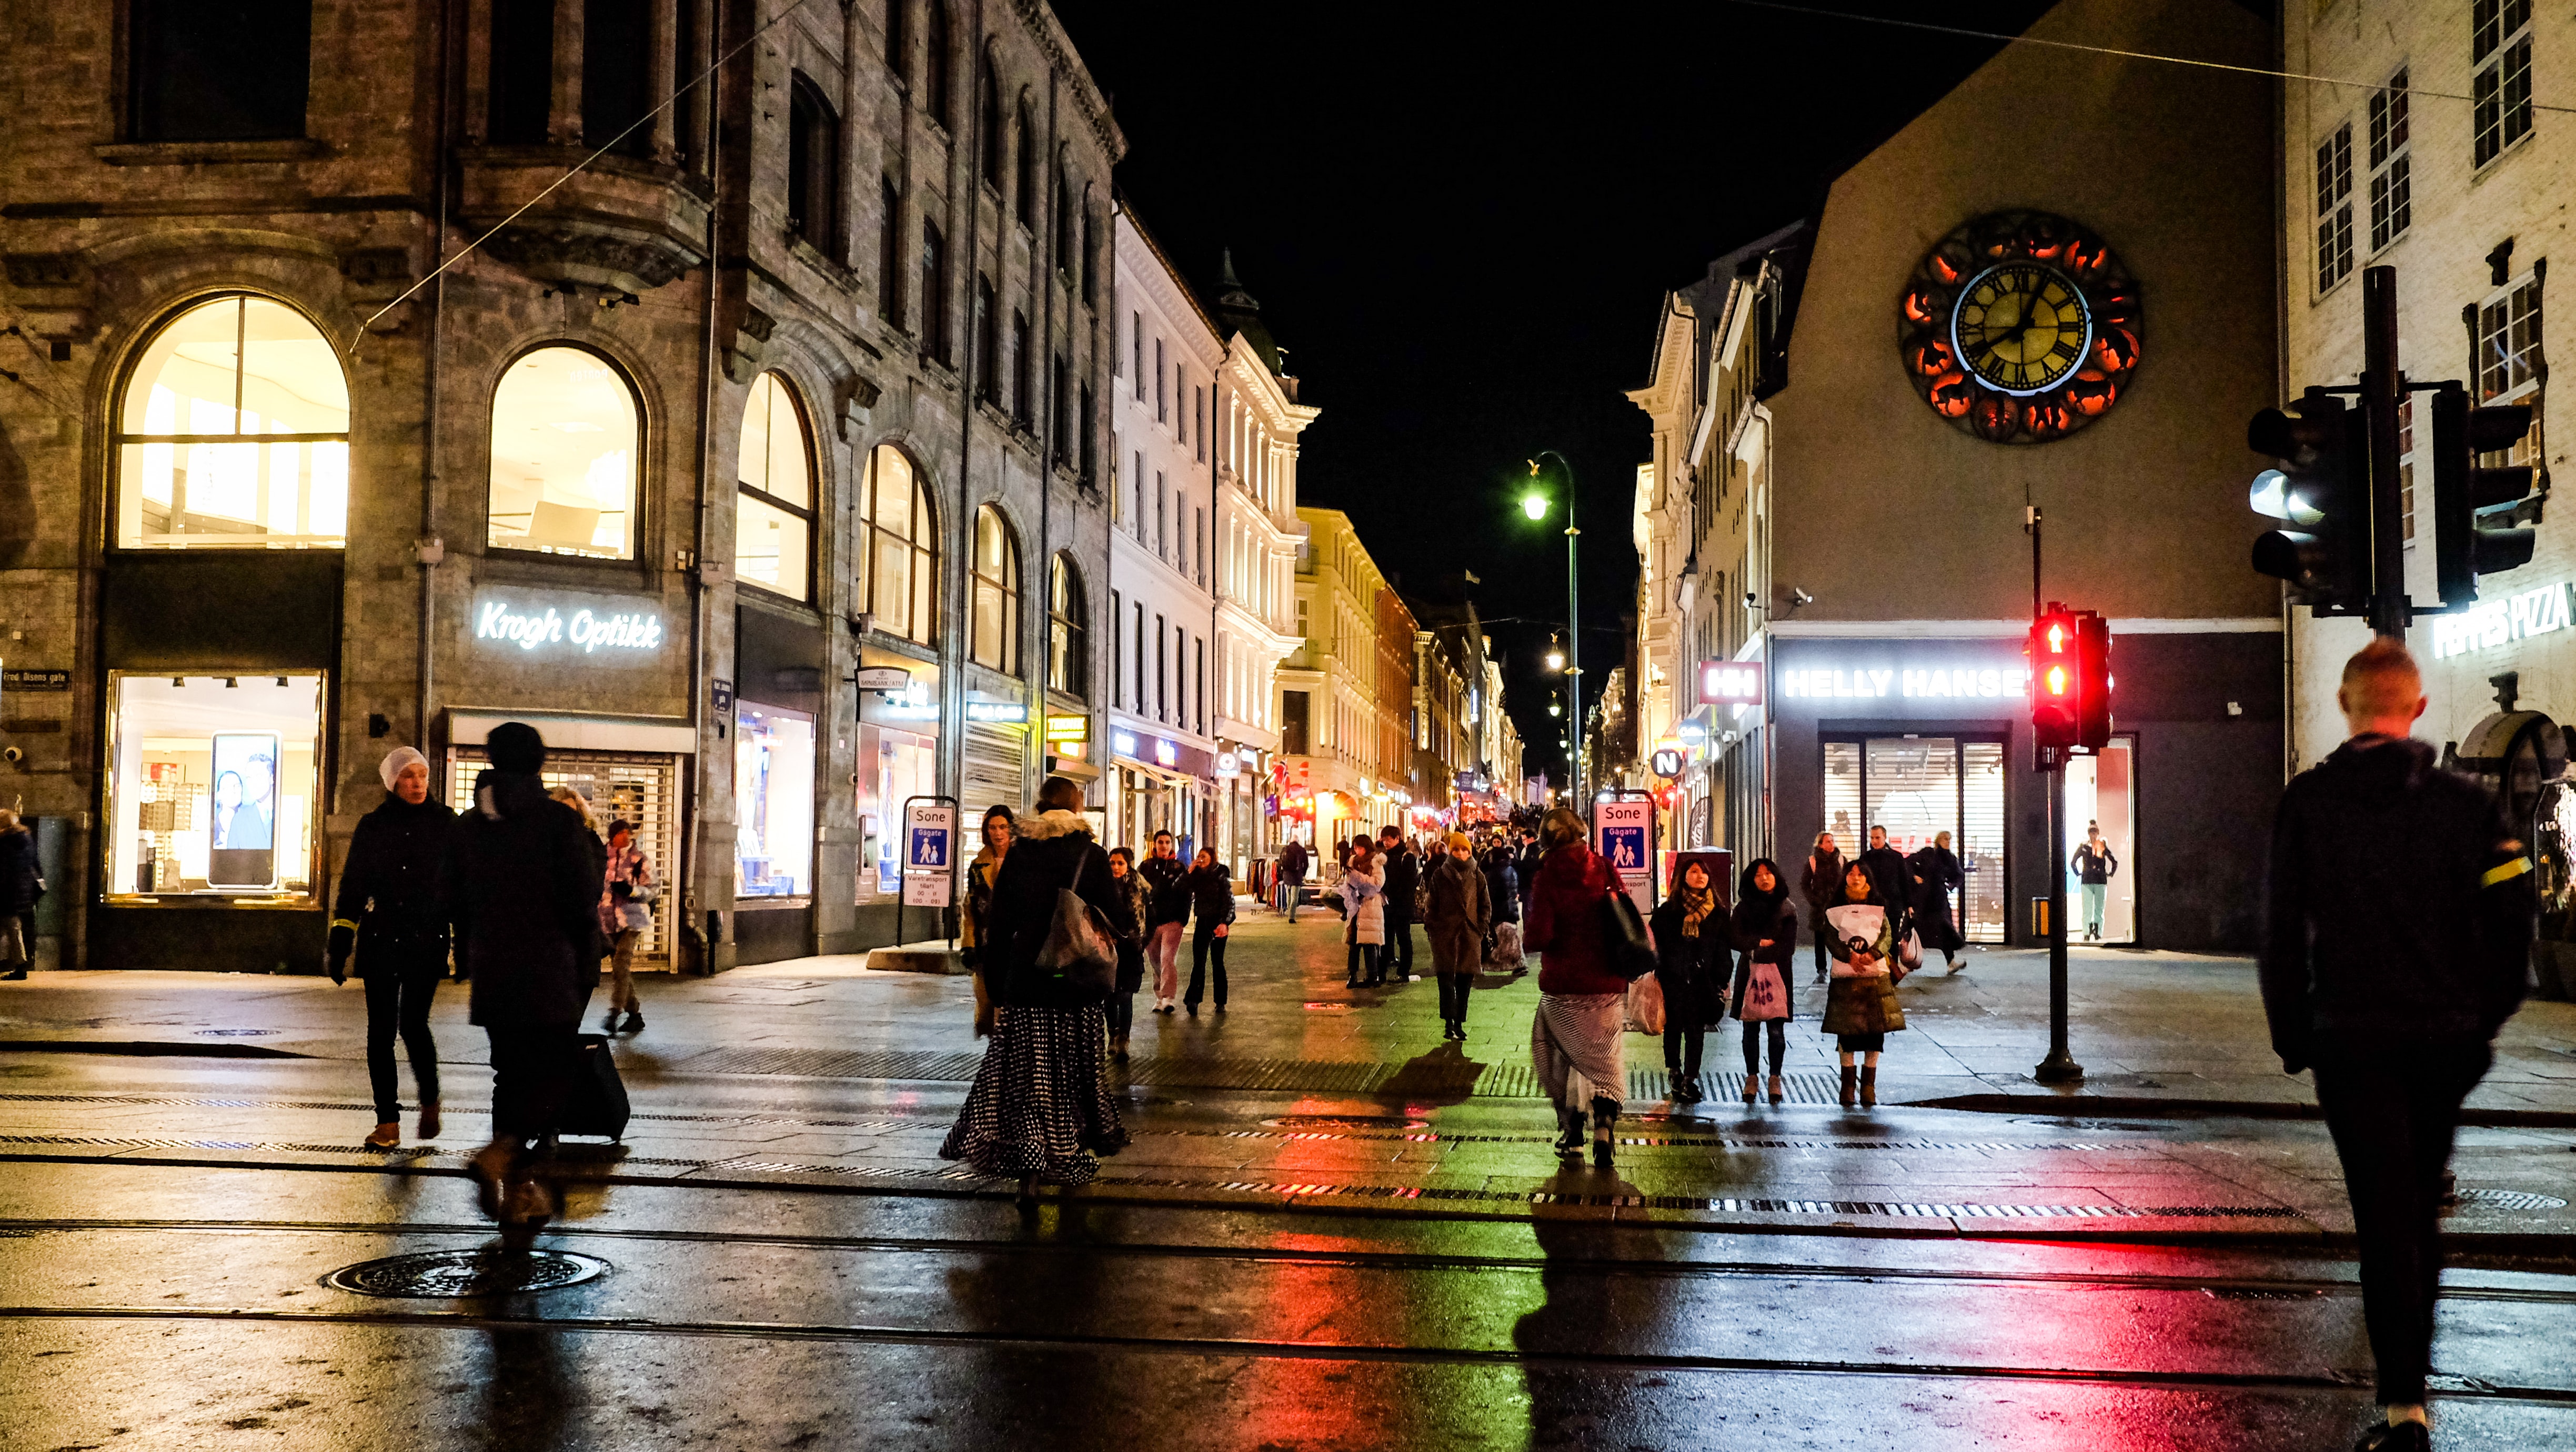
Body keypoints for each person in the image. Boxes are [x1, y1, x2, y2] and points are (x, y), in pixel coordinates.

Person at [2261, 639, 2533, 1452]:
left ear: (2347, 706)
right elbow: (2513, 920)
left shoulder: (2309, 802)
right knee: (2419, 1210)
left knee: (2383, 1214)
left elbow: (2279, 931)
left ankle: (2403, 1409)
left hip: (2354, 1042)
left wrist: (2295, 1036)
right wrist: (2482, 1019)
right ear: (2416, 707)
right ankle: (2412, 1399)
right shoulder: (2466, 807)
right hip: (2444, 1040)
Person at [939, 775, 1129, 1205]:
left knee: (1028, 1077)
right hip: (1076, 986)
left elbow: (1001, 924)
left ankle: (1029, 1167)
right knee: (1074, 1074)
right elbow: (1116, 918)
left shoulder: (1021, 854)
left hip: (1027, 982)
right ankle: (1068, 1156)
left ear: (1040, 810)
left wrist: (998, 985)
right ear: (1075, 808)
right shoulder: (1092, 855)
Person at [452, 723, 607, 1243]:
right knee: (553, 1077)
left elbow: (452, 896)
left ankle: (518, 1193)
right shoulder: (556, 824)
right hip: (548, 970)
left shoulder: (472, 825)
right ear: (539, 763)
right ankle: (504, 1157)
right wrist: (585, 959)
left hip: (494, 971)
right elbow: (582, 901)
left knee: (509, 1076)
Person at [327, 747, 458, 1147]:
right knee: (380, 1032)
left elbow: (460, 888)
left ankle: (430, 1098)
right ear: (392, 782)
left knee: (414, 1024)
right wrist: (340, 940)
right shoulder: (374, 826)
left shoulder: (446, 823)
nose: (417, 783)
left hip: (426, 937)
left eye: (422, 775)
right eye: (407, 776)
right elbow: (353, 886)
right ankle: (387, 1122)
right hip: (382, 936)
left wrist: (466, 944)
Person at [1523, 807, 1632, 1169]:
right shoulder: (1603, 867)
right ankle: (1604, 1127)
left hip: (1565, 987)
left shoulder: (1547, 876)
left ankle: (1573, 1135)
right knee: (1606, 1058)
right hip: (1606, 984)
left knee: (1561, 1058)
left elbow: (1540, 935)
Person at [1822, 861, 1906, 1108]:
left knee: (1874, 1033)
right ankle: (1848, 1085)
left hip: (1874, 978)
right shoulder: (1835, 908)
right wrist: (1849, 956)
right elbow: (1829, 936)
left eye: (1860, 874)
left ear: (1868, 879)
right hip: (1846, 977)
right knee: (1846, 1032)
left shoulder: (1878, 906)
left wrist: (1874, 954)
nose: (1856, 878)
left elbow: (1886, 934)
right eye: (1851, 874)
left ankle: (1868, 1086)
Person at [1647, 859, 1730, 1105]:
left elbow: (1723, 950)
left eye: (1704, 871)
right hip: (1672, 979)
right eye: (1694, 871)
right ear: (1683, 877)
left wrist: (1721, 980)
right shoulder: (1667, 912)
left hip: (1702, 982)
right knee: (1673, 1027)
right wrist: (1661, 970)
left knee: (1696, 1031)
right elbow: (1654, 945)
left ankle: (1690, 1078)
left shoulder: (1717, 913)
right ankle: (1674, 1070)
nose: (1700, 876)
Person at [1730, 858, 1798, 1105]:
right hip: (1749, 974)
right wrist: (1758, 944)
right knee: (1750, 1029)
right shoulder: (1743, 908)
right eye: (1758, 875)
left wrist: (1755, 949)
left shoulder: (1787, 908)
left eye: (1768, 873)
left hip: (1778, 975)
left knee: (1776, 1031)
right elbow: (1735, 938)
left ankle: (1775, 1077)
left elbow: (1787, 948)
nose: (1764, 878)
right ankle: (1751, 1077)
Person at [1422, 831, 1490, 1041]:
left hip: (1469, 936)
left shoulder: (1477, 874)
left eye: (1464, 850)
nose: (1460, 853)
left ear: (1470, 852)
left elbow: (1485, 905)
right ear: (1450, 852)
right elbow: (1431, 904)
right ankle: (1448, 1023)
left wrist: (1480, 928)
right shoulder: (1440, 875)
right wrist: (1433, 927)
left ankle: (1459, 1023)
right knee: (1445, 983)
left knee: (1464, 984)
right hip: (1445, 936)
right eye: (1456, 849)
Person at [600, 818, 656, 1034]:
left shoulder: (639, 859)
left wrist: (631, 891)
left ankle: (614, 1013)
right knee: (619, 969)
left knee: (621, 965)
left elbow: (651, 889)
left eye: (628, 832)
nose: (626, 836)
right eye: (622, 832)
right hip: (607, 920)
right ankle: (635, 1015)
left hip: (631, 920)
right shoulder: (602, 857)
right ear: (613, 835)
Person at [962, 805, 1015, 1036]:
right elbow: (970, 908)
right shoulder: (978, 865)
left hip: (1016, 944)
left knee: (1011, 1005)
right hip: (987, 944)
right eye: (992, 827)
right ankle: (997, 1052)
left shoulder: (1023, 861)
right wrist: (967, 944)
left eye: (1003, 827)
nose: (998, 833)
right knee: (988, 1003)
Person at [1102, 847, 1147, 1061]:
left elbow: (1151, 919)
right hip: (1108, 948)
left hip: (1131, 950)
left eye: (1120, 863)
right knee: (1109, 996)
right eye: (1112, 863)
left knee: (1126, 996)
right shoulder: (1102, 887)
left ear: (1128, 865)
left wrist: (1140, 941)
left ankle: (1123, 1041)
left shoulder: (1140, 888)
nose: (1116, 867)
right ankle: (1112, 1033)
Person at [1138, 830, 1189, 1013]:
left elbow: (1186, 893)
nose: (1164, 846)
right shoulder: (1145, 867)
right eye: (1161, 842)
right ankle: (1159, 997)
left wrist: (1183, 919)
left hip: (1173, 922)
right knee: (1155, 961)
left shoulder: (1178, 868)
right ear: (1155, 844)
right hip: (1151, 923)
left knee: (1167, 958)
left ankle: (1168, 997)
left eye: (1168, 842)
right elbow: (1140, 895)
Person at [1182, 846, 1235, 1015]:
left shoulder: (1221, 875)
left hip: (1218, 922)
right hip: (1202, 922)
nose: (1201, 859)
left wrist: (1225, 923)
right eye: (1199, 856)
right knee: (1199, 961)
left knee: (1217, 962)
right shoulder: (1196, 875)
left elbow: (1229, 901)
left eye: (1204, 856)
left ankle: (1220, 1001)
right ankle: (1193, 1000)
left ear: (1212, 858)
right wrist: (1188, 872)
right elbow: (1180, 889)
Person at [1908, 830, 1967, 972]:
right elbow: (1908, 862)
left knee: (1944, 929)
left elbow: (1959, 875)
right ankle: (1908, 960)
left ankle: (1951, 962)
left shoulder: (1950, 859)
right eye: (1944, 839)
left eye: (1949, 839)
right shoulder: (1928, 853)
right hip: (1924, 898)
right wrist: (1914, 876)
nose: (1947, 841)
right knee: (1914, 929)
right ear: (1938, 840)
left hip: (1939, 899)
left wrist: (1951, 885)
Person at [1800, 831, 1846, 985]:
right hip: (1820, 909)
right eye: (1827, 842)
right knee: (1820, 940)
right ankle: (1821, 971)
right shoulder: (1813, 861)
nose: (1831, 844)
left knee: (1839, 939)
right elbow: (1805, 884)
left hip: (1838, 907)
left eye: (1832, 841)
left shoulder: (1841, 860)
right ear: (1820, 844)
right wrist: (1814, 900)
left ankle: (1839, 967)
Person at [1377, 825, 1420, 981]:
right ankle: (1381, 972)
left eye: (1388, 839)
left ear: (1397, 838)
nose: (1386, 843)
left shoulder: (1407, 857)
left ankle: (1404, 971)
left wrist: (1393, 893)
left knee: (1403, 938)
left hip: (1402, 904)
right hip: (1388, 904)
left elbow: (1409, 882)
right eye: (1384, 840)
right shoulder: (1384, 857)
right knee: (1385, 938)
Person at [1342, 839, 1385, 987]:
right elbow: (1348, 881)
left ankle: (1373, 976)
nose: (1356, 850)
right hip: (1356, 905)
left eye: (1359, 846)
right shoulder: (1353, 860)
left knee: (1369, 943)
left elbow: (1379, 883)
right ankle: (1352, 975)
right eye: (1355, 847)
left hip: (1370, 904)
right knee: (1353, 943)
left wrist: (1361, 878)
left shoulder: (1375, 861)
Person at [0, 809, 36, 981]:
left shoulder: (5, 841)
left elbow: (4, 869)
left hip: (6, 892)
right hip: (20, 891)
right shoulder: (26, 839)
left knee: (12, 928)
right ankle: (19, 965)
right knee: (12, 928)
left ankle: (21, 965)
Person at [1855, 825, 1912, 934]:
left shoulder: (1896, 857)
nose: (1874, 841)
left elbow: (1904, 881)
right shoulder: (1865, 858)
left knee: (1893, 937)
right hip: (1872, 903)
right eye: (1872, 838)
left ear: (1884, 837)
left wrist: (1908, 904)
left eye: (1877, 838)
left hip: (1893, 904)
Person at [2071, 822, 2118, 941]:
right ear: (2089, 833)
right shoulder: (2085, 847)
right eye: (2091, 832)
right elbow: (2073, 862)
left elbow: (2114, 861)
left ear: (2098, 833)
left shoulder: (2101, 846)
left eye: (2095, 832)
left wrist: (2110, 874)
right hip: (2088, 881)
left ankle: (2097, 933)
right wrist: (2078, 873)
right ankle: (2087, 933)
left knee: (2099, 909)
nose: (2093, 834)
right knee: (2087, 909)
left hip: (2099, 881)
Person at [1277, 837, 1310, 921]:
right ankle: (1291, 916)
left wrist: (1282, 874)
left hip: (1287, 876)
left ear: (1290, 841)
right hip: (1297, 876)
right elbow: (1306, 864)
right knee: (1294, 897)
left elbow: (1280, 863)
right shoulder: (1302, 850)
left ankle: (1289, 910)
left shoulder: (1285, 849)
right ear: (1298, 841)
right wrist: (1303, 874)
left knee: (1289, 895)